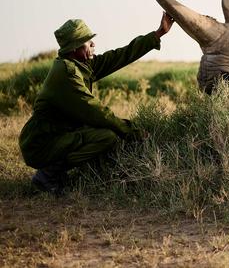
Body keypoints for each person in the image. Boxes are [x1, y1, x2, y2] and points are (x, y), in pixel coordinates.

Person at [18, 13, 175, 195]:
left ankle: (65, 172)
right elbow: (97, 112)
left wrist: (158, 34)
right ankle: (47, 175)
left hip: (58, 136)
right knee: (105, 137)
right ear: (74, 47)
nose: (93, 44)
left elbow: (119, 56)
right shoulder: (68, 74)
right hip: (41, 144)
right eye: (87, 41)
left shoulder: (78, 64)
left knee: (103, 133)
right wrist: (131, 131)